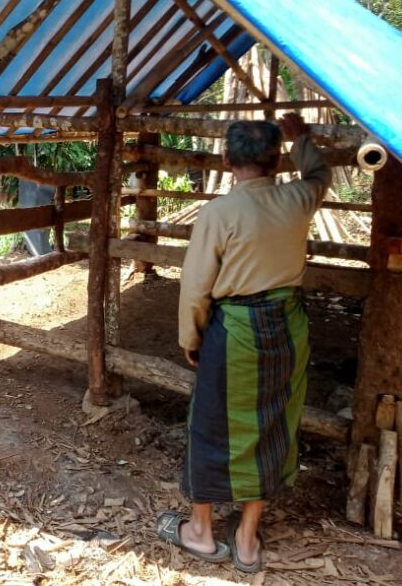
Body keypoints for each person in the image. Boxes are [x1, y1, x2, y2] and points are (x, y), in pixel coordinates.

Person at [157, 113, 330, 573]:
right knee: (274, 423)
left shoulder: (218, 214)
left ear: (226, 158)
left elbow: (196, 287)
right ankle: (247, 539)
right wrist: (303, 139)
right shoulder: (299, 198)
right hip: (288, 328)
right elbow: (320, 173)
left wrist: (190, 337)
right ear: (276, 161)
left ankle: (200, 532)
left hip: (236, 332)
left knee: (212, 422)